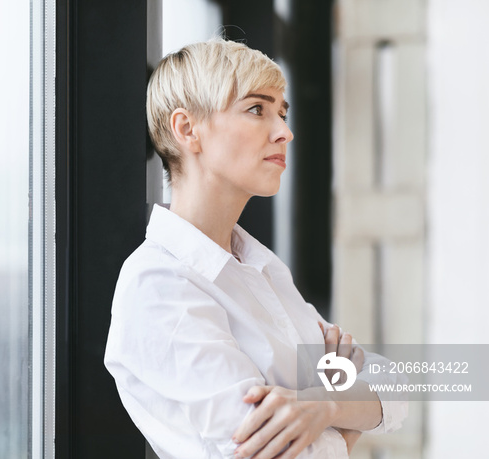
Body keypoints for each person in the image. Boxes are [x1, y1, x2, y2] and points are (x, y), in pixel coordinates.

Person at [104, 38, 407, 459]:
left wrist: (321, 404)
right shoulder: (158, 285)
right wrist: (344, 417)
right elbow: (287, 454)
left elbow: (397, 385)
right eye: (256, 109)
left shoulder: (260, 268)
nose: (285, 132)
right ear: (187, 129)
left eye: (282, 113)